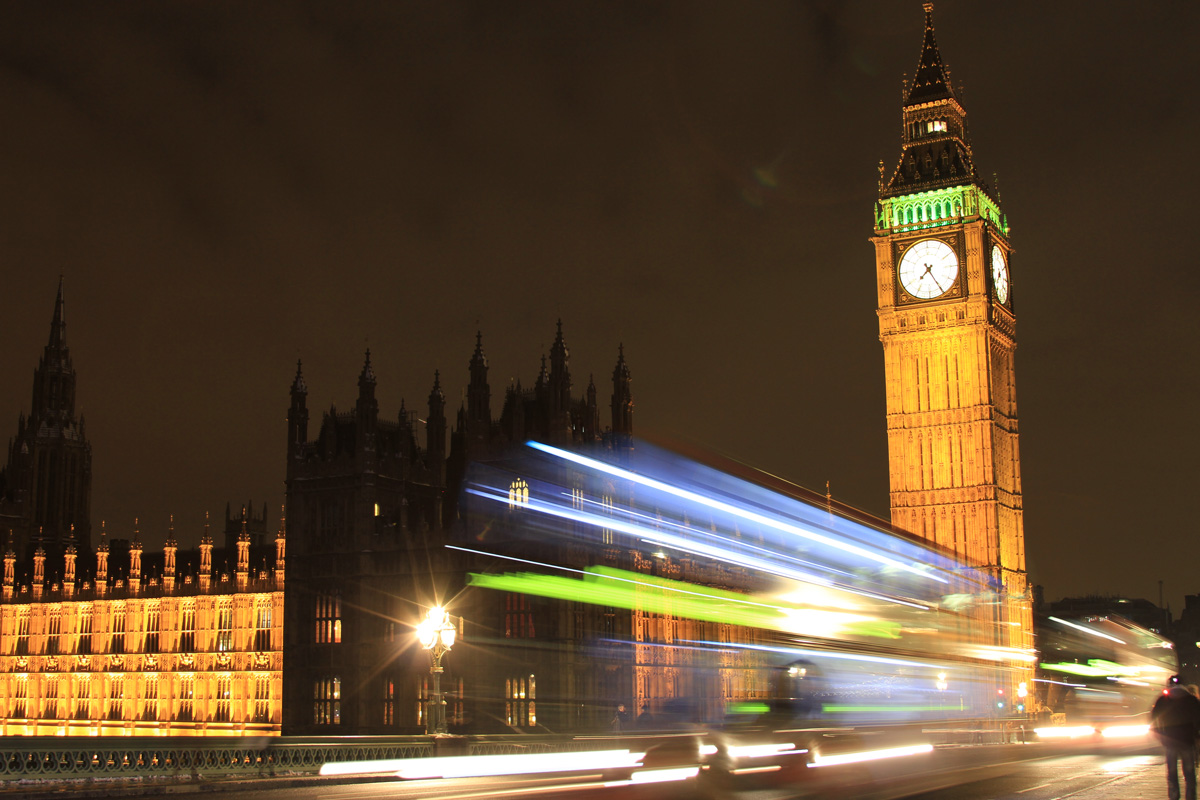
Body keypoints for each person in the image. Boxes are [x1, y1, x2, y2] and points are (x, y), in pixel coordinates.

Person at [1151, 674, 1200, 800]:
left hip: (1170, 741)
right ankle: (1191, 797)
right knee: (1189, 773)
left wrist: (1161, 735)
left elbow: (1154, 719)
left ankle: (1174, 796)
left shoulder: (1162, 700)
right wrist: (1196, 735)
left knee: (1172, 773)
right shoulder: (1191, 699)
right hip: (1187, 741)